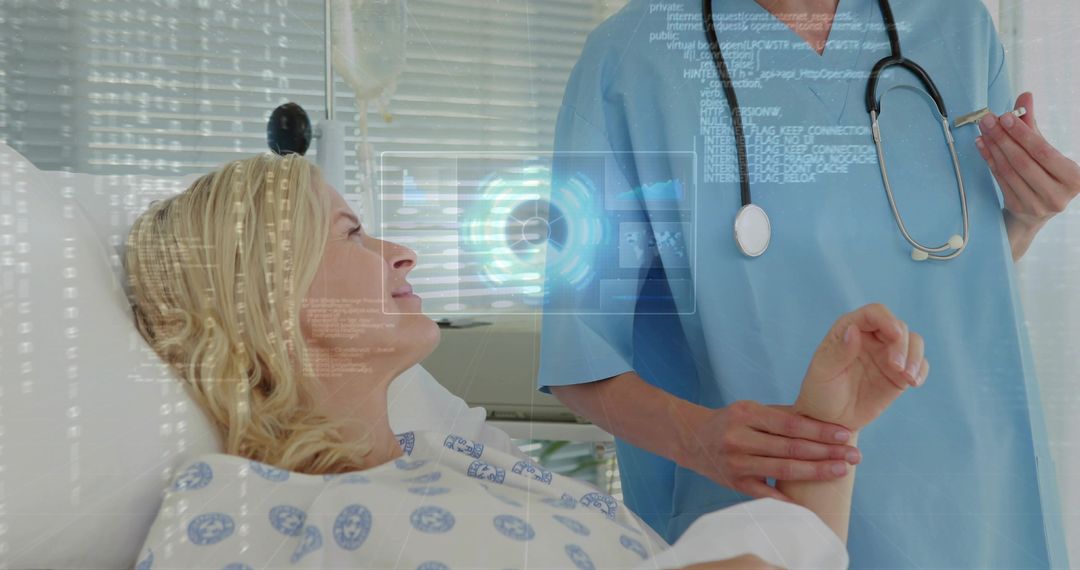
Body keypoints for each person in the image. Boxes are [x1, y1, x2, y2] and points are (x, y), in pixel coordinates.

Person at [125, 154, 926, 568]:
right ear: (270, 296)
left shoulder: (464, 459)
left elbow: (799, 558)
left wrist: (830, 429)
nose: (400, 253)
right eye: (350, 234)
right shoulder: (238, 504)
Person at [538, 0, 1077, 567]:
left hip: (976, 499)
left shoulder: (956, 24)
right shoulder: (630, 58)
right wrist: (696, 437)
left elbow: (953, 277)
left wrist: (1025, 217)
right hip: (769, 514)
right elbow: (580, 354)